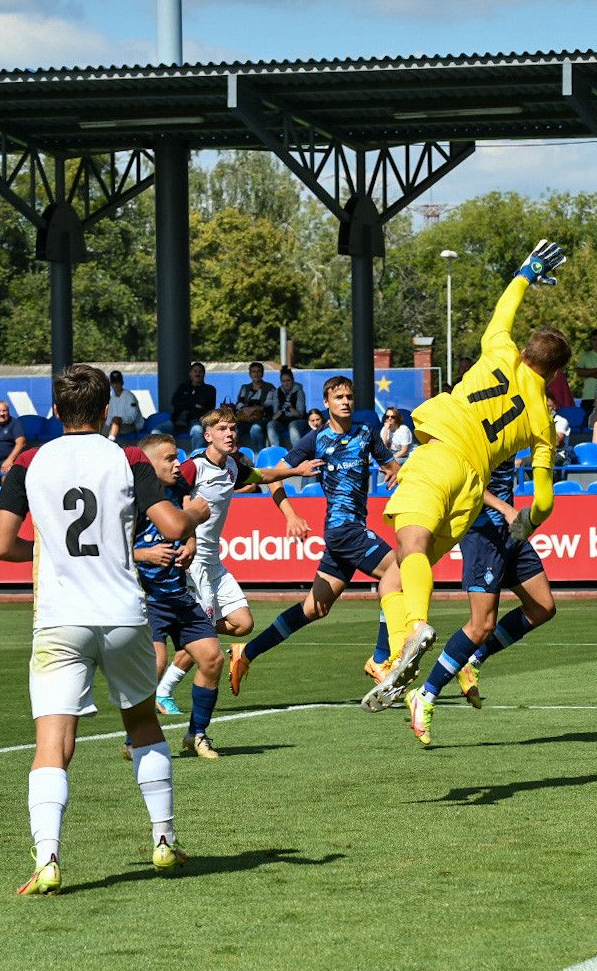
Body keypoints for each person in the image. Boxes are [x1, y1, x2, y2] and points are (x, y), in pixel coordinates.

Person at [0, 364, 190, 896]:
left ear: (56, 410)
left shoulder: (30, 461)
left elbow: (0, 546)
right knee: (142, 723)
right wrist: (194, 512)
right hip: (122, 613)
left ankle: (47, 859)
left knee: (52, 743)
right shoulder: (128, 457)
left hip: (60, 618)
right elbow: (172, 527)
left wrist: (49, 551)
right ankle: (164, 840)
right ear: (106, 411)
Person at [365, 240, 569, 713]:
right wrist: (527, 523)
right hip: (473, 487)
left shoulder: (500, 351)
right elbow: (544, 501)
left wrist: (526, 272)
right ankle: (394, 660)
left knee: (409, 547)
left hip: (439, 455)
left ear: (525, 351)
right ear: (556, 373)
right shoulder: (543, 420)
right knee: (393, 577)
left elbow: (505, 308)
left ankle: (415, 628)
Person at [229, 376, 409, 696]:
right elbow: (274, 478)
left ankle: (247, 652)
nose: (345, 401)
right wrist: (291, 515)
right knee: (398, 570)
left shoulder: (366, 433)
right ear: (326, 403)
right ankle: (381, 659)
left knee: (314, 608)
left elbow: (394, 466)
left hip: (348, 532)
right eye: (338, 397)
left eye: (349, 396)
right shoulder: (314, 440)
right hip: (344, 530)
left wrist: (397, 472)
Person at [149, 408, 321, 735]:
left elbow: (262, 476)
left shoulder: (232, 466)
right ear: (208, 435)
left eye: (232, 429)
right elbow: (170, 500)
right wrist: (186, 538)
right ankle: (165, 690)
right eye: (222, 429)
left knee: (243, 623)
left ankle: (186, 631)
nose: (230, 434)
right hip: (194, 563)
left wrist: (295, 470)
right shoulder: (193, 467)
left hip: (214, 561)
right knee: (204, 633)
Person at [405, 456, 558, 746]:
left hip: (510, 533)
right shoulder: (475, 434)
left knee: (542, 607)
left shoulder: (509, 431)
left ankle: (472, 661)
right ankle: (424, 695)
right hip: (482, 534)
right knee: (481, 625)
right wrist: (506, 509)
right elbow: (468, 483)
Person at [128, 434, 222, 760]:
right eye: (169, 458)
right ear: (148, 463)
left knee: (212, 658)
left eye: (178, 457)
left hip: (179, 594)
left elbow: (186, 526)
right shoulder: (130, 499)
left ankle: (197, 734)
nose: (178, 465)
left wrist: (191, 542)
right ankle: (133, 738)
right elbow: (110, 549)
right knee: (155, 664)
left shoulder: (179, 489)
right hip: (147, 598)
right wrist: (145, 554)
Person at [169, 362, 217, 448]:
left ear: (204, 374)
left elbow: (209, 407)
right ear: (190, 373)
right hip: (177, 420)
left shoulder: (210, 389)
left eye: (200, 371)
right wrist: (195, 404)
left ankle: (198, 456)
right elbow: (175, 402)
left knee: (197, 431)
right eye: (195, 371)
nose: (197, 374)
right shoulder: (183, 387)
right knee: (157, 431)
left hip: (197, 420)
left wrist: (186, 402)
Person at [233, 362, 275, 449]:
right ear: (250, 374)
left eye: (259, 371)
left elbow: (270, 404)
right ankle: (238, 453)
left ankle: (259, 453)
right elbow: (239, 403)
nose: (256, 374)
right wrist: (245, 409)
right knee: (234, 429)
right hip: (245, 418)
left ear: (262, 373)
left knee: (255, 429)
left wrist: (254, 408)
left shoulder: (269, 387)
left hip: (263, 418)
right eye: (253, 371)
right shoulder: (245, 387)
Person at [269, 365, 309, 448]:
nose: (286, 383)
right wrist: (280, 412)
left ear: (293, 380)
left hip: (298, 421)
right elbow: (275, 415)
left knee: (293, 425)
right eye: (283, 381)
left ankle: (297, 452)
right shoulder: (277, 392)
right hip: (282, 421)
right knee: (271, 424)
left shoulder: (299, 391)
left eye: (288, 380)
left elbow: (300, 414)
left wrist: (291, 409)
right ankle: (276, 451)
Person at [105, 370, 144, 445]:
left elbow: (132, 418)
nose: (116, 385)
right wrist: (107, 425)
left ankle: (110, 443)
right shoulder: (112, 397)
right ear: (111, 384)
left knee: (116, 420)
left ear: (122, 383)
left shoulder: (130, 396)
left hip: (132, 426)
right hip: (116, 425)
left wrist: (120, 420)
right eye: (114, 383)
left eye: (118, 382)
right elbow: (109, 416)